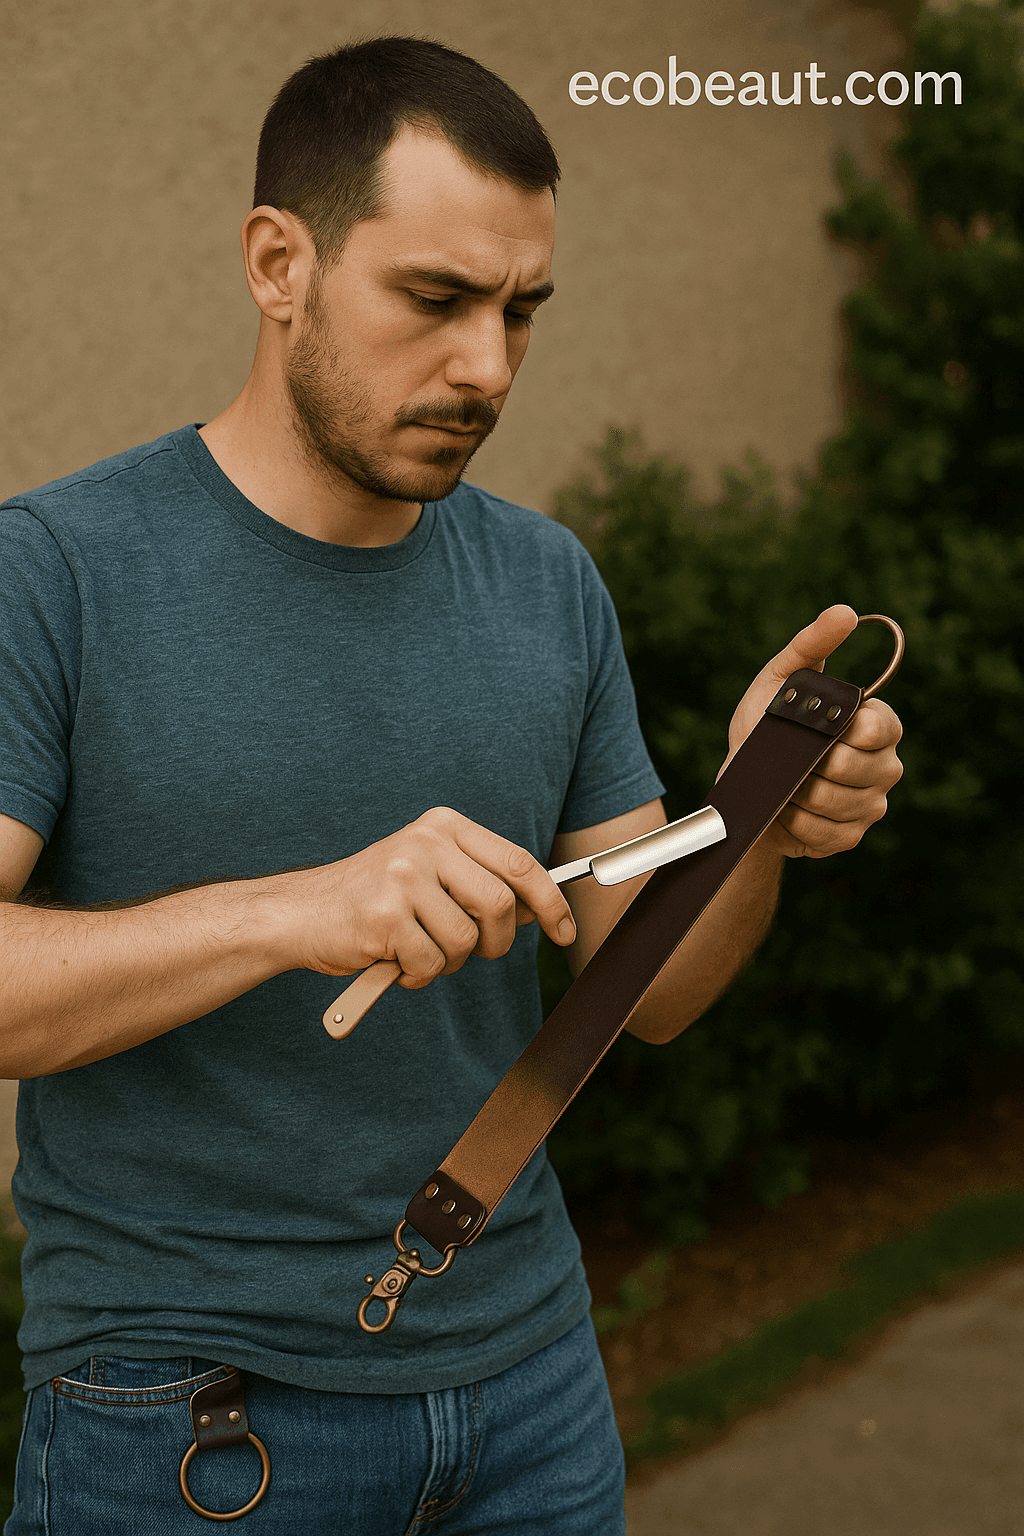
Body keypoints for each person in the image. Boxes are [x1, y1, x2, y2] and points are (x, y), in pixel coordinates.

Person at [0, 36, 903, 1536]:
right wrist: (298, 910)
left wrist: (754, 811)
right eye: (434, 300)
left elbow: (651, 991)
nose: (487, 365)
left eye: (520, 311)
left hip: (534, 1393)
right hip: (186, 1429)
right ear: (277, 263)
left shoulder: (548, 583)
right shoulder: (56, 574)